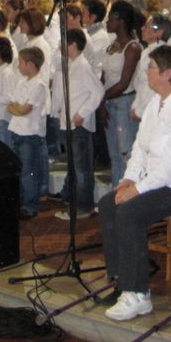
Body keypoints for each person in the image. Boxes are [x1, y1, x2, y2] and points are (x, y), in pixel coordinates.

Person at [98, 45, 171, 321]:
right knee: (107, 204)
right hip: (164, 182)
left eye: (151, 67)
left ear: (167, 73)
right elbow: (141, 146)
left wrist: (137, 190)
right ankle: (122, 279)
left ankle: (138, 294)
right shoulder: (156, 102)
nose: (146, 72)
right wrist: (128, 178)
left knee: (129, 211)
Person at [53, 29, 105, 221]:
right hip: (69, 123)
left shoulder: (82, 66)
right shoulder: (71, 65)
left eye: (64, 43)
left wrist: (82, 113)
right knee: (75, 166)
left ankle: (84, 206)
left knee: (82, 168)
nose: (60, 47)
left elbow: (98, 92)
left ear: (73, 45)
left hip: (78, 125)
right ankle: (78, 202)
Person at [100, 0, 143, 187]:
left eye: (110, 19)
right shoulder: (112, 45)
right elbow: (104, 76)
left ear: (121, 20)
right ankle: (115, 196)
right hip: (109, 102)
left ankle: (127, 197)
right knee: (114, 155)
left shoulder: (132, 48)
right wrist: (101, 101)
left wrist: (101, 99)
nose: (107, 23)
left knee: (126, 153)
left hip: (123, 102)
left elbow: (123, 83)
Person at [7, 46, 49, 218]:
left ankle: (30, 204)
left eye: (21, 63)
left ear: (30, 64)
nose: (18, 66)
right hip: (17, 130)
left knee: (29, 171)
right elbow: (11, 105)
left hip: (30, 133)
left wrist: (18, 108)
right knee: (19, 169)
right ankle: (21, 200)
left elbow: (24, 109)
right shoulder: (21, 82)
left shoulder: (39, 85)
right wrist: (18, 108)